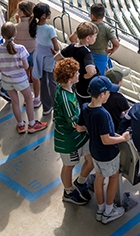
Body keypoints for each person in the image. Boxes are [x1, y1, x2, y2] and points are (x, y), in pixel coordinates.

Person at [77, 76, 130, 225]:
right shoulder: (103, 114)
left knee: (99, 177)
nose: (109, 95)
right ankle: (108, 211)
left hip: (94, 151)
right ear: (102, 94)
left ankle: (100, 209)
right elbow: (106, 139)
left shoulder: (86, 107)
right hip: (108, 154)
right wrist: (123, 138)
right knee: (113, 177)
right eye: (108, 93)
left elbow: (80, 127)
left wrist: (92, 129)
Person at [53, 58, 95, 205]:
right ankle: (68, 191)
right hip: (68, 139)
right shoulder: (65, 98)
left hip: (79, 136)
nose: (79, 74)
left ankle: (80, 182)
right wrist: (92, 128)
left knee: (91, 160)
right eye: (76, 73)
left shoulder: (67, 88)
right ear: (70, 78)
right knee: (69, 165)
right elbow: (76, 125)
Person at [0, 22, 47, 135]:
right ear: (15, 33)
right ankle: (32, 124)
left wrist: (5, 68)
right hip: (20, 80)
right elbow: (26, 66)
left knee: (15, 102)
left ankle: (21, 125)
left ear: (2, 34)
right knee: (28, 99)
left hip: (6, 80)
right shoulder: (20, 48)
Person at [55, 22, 98, 106]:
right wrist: (83, 76)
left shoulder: (72, 47)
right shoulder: (86, 52)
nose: (96, 38)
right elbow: (91, 71)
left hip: (76, 84)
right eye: (95, 36)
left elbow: (56, 57)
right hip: (86, 87)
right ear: (88, 38)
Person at [29, 3, 59, 116]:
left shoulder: (34, 26)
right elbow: (56, 47)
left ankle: (46, 107)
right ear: (43, 16)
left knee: (43, 83)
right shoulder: (49, 29)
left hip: (39, 55)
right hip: (49, 57)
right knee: (52, 83)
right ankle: (56, 107)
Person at [14, 1, 38, 105]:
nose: (17, 12)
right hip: (34, 54)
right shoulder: (35, 25)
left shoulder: (16, 27)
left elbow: (15, 41)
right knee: (35, 77)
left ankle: (27, 98)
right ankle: (37, 98)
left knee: (26, 78)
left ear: (23, 12)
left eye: (19, 10)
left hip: (22, 56)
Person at [86, 3, 120, 76]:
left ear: (92, 15)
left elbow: (72, 38)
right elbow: (116, 44)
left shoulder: (85, 26)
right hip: (101, 56)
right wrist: (112, 50)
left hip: (86, 54)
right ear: (103, 15)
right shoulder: (107, 28)